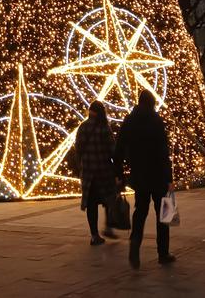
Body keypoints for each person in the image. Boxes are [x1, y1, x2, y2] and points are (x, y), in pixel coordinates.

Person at [114, 89, 175, 269]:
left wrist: (119, 173)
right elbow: (164, 153)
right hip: (158, 175)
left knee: (140, 212)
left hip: (139, 175)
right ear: (151, 102)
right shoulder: (156, 121)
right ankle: (163, 253)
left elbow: (118, 149)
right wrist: (169, 178)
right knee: (163, 215)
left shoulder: (129, 120)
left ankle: (134, 247)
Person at [75, 100, 117, 245]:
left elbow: (78, 148)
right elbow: (112, 149)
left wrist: (80, 166)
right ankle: (108, 226)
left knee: (91, 205)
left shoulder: (83, 127)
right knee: (109, 199)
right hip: (103, 171)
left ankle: (94, 234)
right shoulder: (104, 127)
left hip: (88, 172)